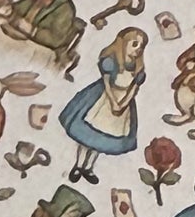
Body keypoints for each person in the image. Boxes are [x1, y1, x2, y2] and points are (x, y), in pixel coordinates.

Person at [61, 29, 145, 184]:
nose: (138, 49)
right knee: (87, 136)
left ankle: (88, 167)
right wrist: (113, 102)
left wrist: (123, 104)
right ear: (123, 43)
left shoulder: (137, 68)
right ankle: (79, 165)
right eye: (135, 44)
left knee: (102, 139)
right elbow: (106, 84)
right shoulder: (111, 62)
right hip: (104, 100)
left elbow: (134, 89)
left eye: (141, 46)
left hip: (123, 104)